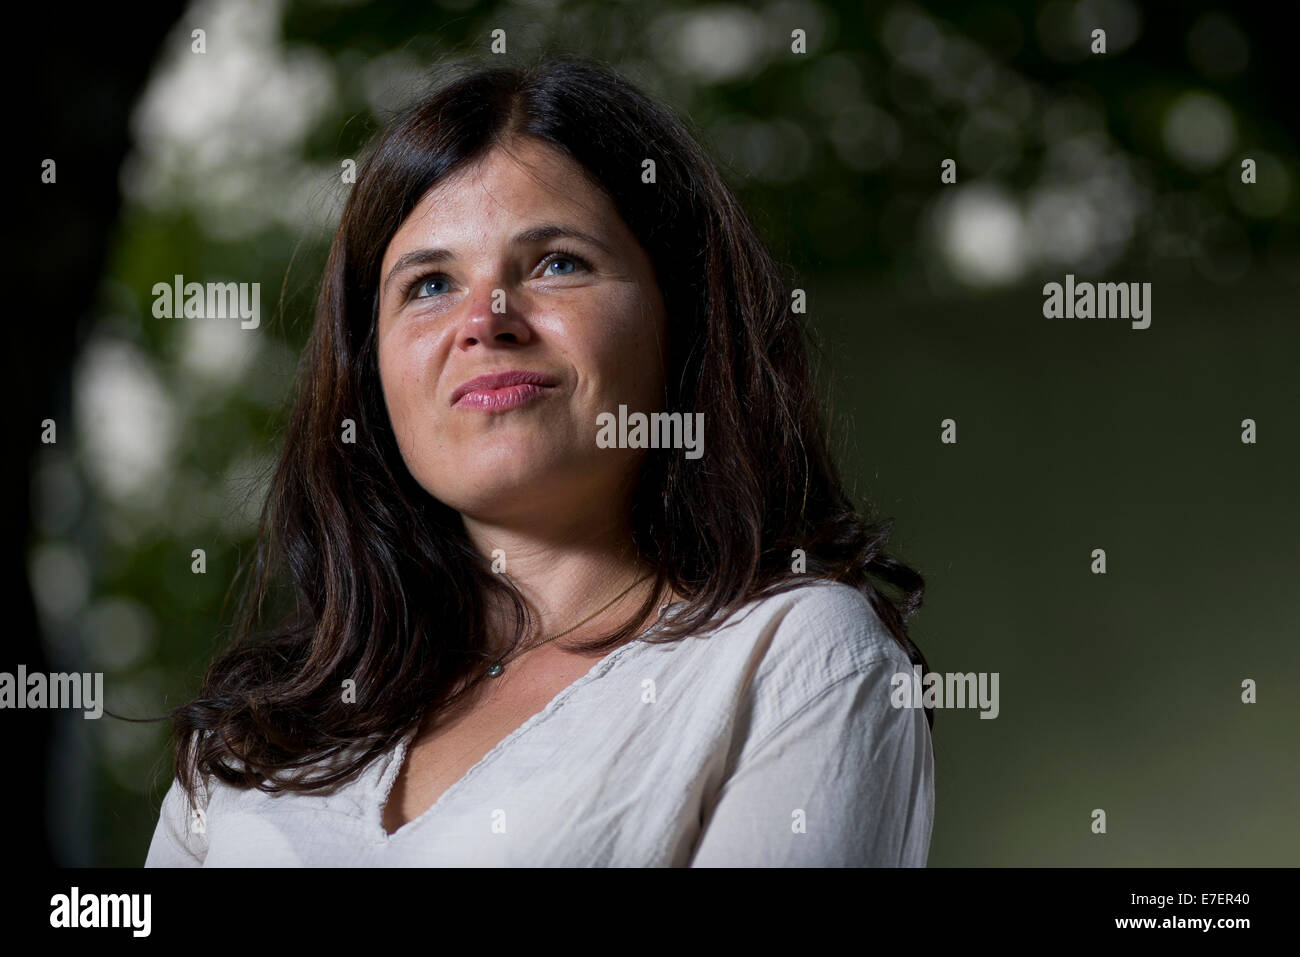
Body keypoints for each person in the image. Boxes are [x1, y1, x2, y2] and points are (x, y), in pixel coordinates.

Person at [145, 53, 935, 867]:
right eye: (427, 285)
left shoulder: (797, 658)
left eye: (558, 263)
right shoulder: (254, 739)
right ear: (371, 370)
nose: (486, 321)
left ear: (686, 319)